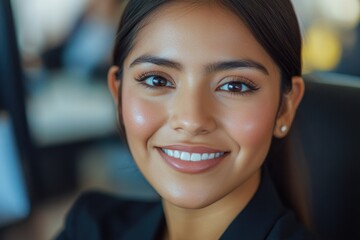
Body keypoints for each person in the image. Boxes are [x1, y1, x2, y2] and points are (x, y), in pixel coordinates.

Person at [56, 0, 314, 239]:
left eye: (235, 86)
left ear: (285, 108)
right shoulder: (90, 226)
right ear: (118, 94)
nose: (192, 121)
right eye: (157, 80)